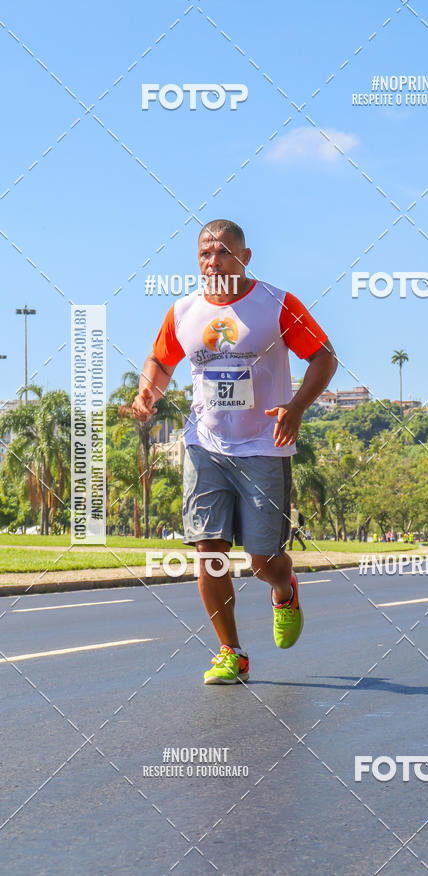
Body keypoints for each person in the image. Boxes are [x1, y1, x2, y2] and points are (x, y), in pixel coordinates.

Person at [132, 219, 337, 685]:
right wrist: (148, 391)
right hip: (204, 445)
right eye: (205, 254)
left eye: (223, 252)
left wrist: (296, 407)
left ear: (245, 258)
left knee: (262, 559)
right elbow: (160, 360)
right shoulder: (184, 311)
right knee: (210, 552)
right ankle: (232, 653)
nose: (214, 262)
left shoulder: (277, 304)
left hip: (264, 445)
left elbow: (324, 356)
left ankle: (283, 588)